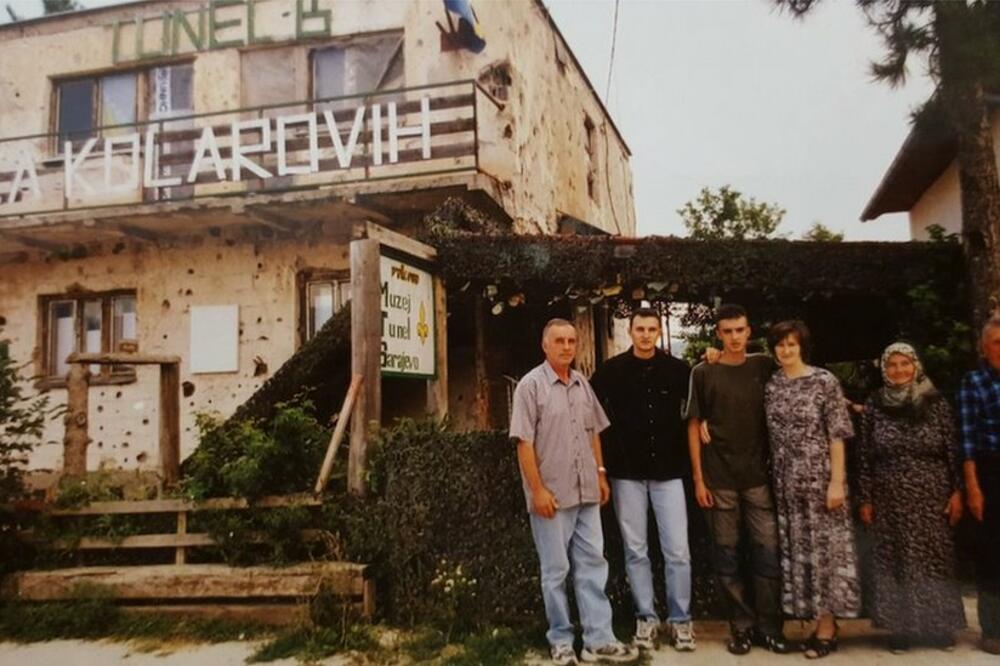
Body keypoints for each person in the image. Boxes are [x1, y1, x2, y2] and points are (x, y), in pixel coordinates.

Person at [509, 318, 638, 665]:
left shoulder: (582, 383)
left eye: (571, 341)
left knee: (593, 565)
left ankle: (598, 640)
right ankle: (561, 641)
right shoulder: (530, 386)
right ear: (545, 345)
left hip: (586, 495)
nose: (567, 347)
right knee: (555, 572)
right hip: (552, 497)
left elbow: (594, 431)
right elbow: (524, 443)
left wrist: (600, 474)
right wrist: (537, 491)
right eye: (559, 341)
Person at [686, 304, 792, 656]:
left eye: (740, 330)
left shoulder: (763, 365)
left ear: (749, 332)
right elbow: (692, 425)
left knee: (768, 553)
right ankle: (741, 628)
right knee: (726, 557)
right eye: (727, 331)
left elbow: (799, 371)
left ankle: (769, 628)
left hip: (758, 478)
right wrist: (699, 480)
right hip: (719, 480)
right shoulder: (703, 371)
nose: (734, 337)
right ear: (718, 333)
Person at [591, 307, 695, 652]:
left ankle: (680, 621)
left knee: (677, 550)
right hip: (627, 474)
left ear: (659, 332)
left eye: (652, 329)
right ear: (631, 331)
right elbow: (589, 413)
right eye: (640, 329)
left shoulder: (679, 371)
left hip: (669, 473)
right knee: (636, 551)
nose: (646, 335)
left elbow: (698, 409)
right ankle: (646, 619)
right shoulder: (610, 372)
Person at [857, 342, 965, 653]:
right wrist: (866, 498)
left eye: (905, 363)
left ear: (915, 365)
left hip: (932, 492)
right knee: (894, 562)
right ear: (884, 369)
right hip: (888, 493)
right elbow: (864, 456)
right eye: (892, 365)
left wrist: (957, 492)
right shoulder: (875, 405)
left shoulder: (936, 402)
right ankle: (900, 628)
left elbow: (953, 452)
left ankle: (939, 627)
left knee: (934, 560)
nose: (899, 370)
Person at [763, 320, 860, 659]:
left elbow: (837, 434)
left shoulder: (824, 382)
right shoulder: (773, 384)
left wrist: (837, 482)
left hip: (821, 482)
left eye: (791, 344)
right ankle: (811, 620)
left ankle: (828, 627)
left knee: (826, 555)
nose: (785, 350)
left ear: (802, 346)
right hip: (787, 485)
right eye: (779, 344)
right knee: (800, 555)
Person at [958, 316, 1000, 656]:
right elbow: (968, 441)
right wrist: (973, 488)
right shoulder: (974, 382)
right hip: (990, 470)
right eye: (997, 343)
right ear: (984, 348)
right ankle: (993, 629)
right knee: (991, 552)